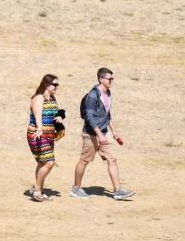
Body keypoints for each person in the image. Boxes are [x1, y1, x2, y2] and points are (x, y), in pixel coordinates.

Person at [71, 67, 135, 200]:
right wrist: (99, 134)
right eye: (109, 78)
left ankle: (117, 191)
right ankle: (76, 189)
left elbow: (107, 113)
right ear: (101, 79)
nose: (112, 81)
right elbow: (89, 116)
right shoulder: (93, 95)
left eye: (112, 78)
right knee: (84, 160)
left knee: (112, 159)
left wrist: (114, 131)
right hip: (91, 134)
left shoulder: (108, 93)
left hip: (104, 133)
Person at [26, 74, 63, 202]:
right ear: (46, 85)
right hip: (38, 134)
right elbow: (37, 116)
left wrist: (60, 116)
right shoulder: (39, 98)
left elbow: (57, 111)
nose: (57, 87)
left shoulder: (52, 98)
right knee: (49, 162)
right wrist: (40, 129)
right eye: (55, 84)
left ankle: (38, 190)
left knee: (42, 163)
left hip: (49, 135)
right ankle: (36, 190)